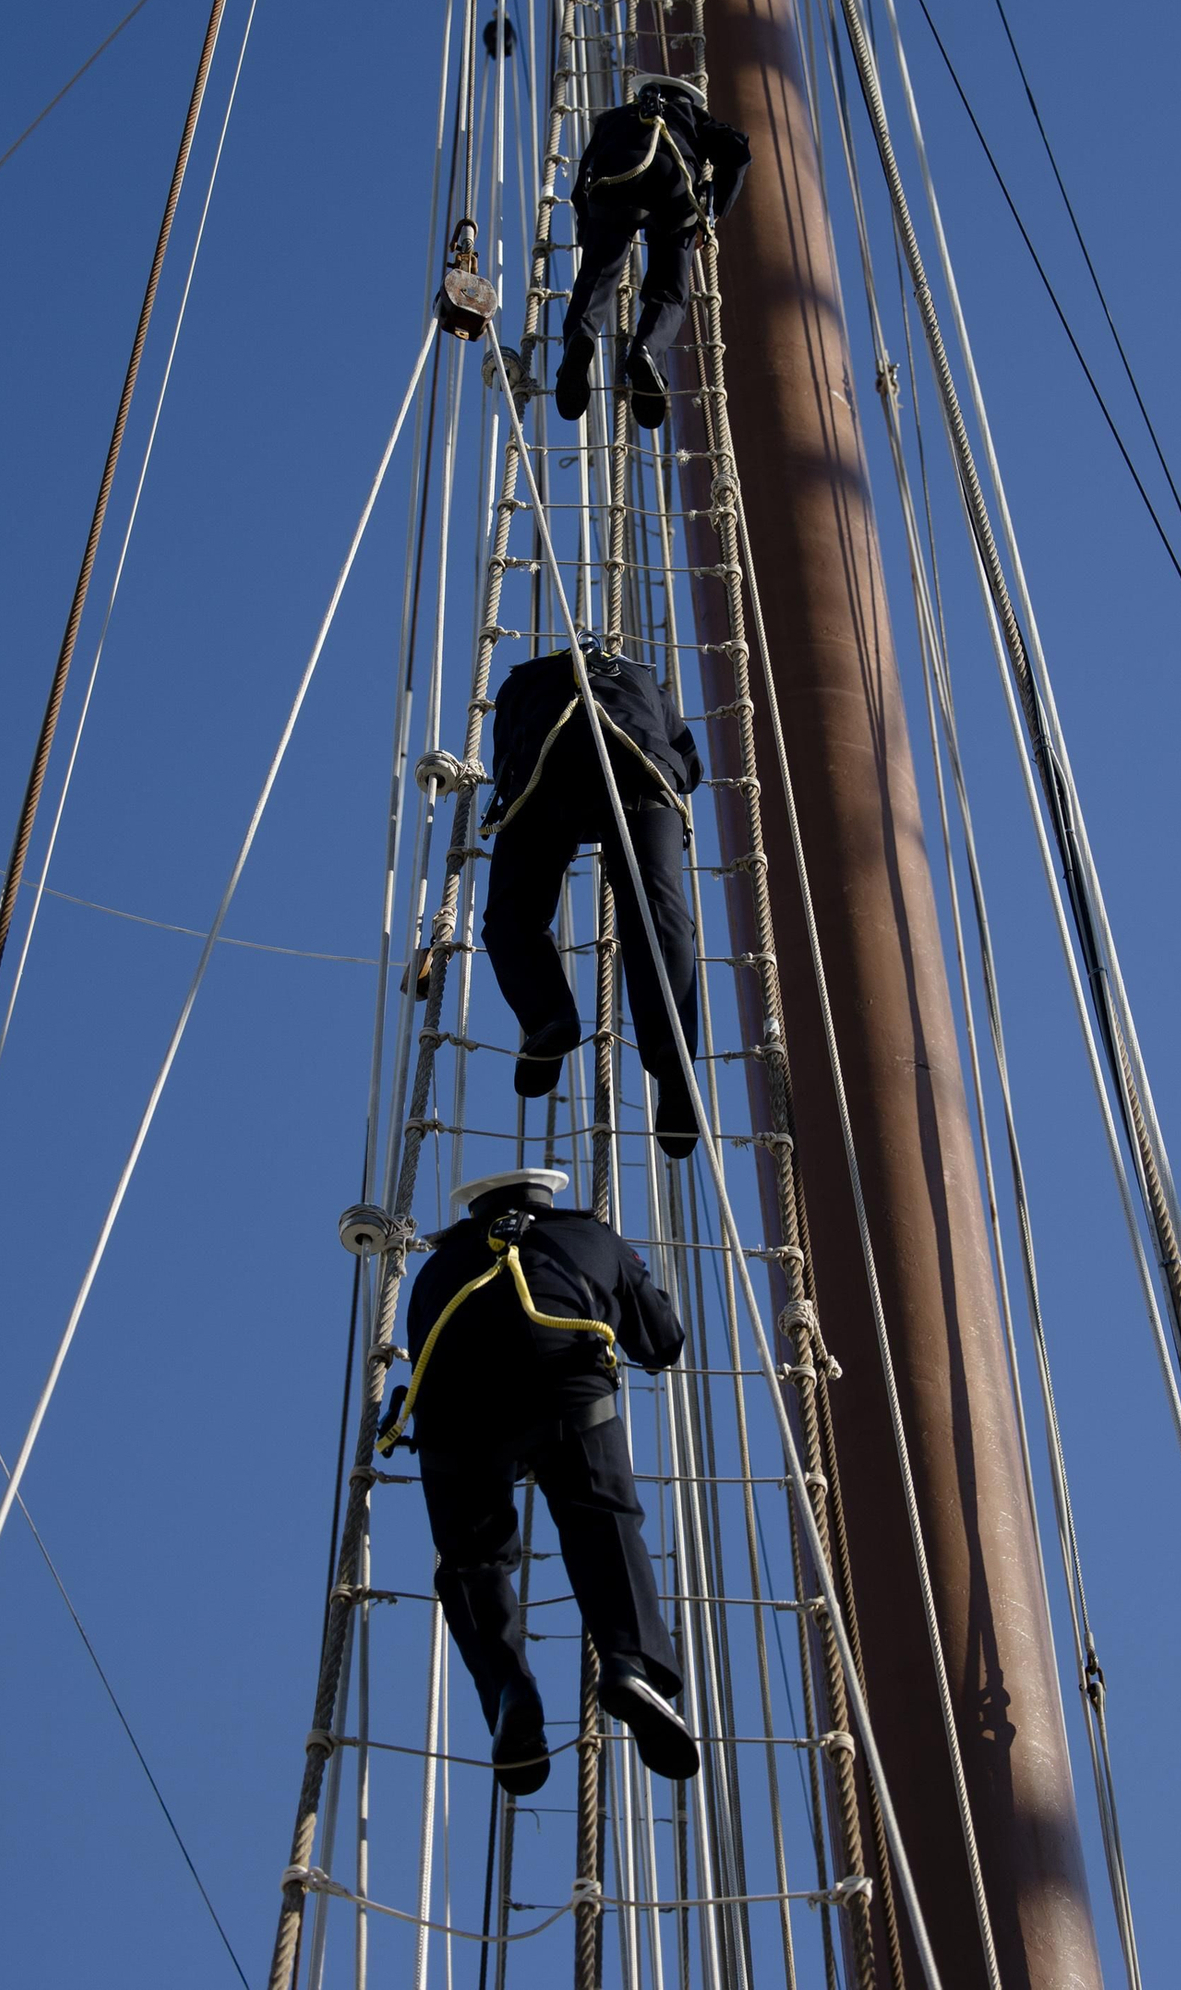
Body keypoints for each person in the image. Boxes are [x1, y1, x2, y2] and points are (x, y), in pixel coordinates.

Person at [382, 1167, 698, 1792]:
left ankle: (509, 1695)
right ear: (547, 1198)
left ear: (474, 1212)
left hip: (455, 1416)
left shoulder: (435, 1269)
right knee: (601, 1518)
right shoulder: (592, 1237)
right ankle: (629, 1662)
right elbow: (662, 1344)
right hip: (563, 1386)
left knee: (472, 1560)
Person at [480, 636, 703, 1158]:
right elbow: (689, 764)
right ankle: (674, 1064)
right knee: (656, 909)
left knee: (512, 912)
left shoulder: (520, 680)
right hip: (641, 768)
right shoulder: (646, 680)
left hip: (546, 768)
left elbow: (504, 750)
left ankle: (548, 1017)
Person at [555, 73, 750, 430]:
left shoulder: (615, 118)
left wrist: (589, 233)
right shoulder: (692, 118)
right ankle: (647, 352)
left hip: (617, 175)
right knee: (669, 292)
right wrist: (714, 211)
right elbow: (738, 149)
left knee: (597, 275)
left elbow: (583, 182)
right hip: (672, 183)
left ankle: (579, 340)